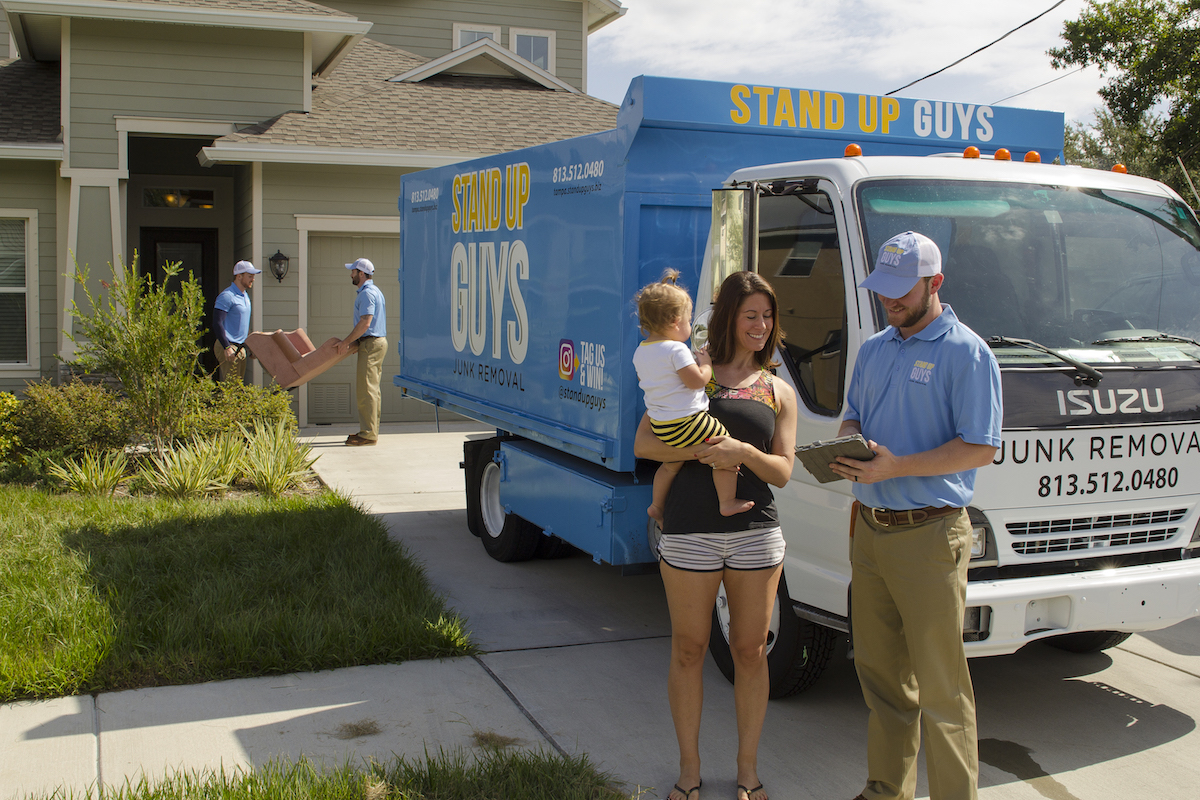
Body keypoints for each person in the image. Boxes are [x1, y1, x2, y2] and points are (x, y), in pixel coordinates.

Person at [828, 231, 1002, 800]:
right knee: (880, 678)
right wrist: (850, 444)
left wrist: (896, 467)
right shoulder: (876, 348)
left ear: (936, 283)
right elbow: (852, 417)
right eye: (884, 289)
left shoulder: (967, 352)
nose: (891, 300)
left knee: (942, 688)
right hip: (872, 534)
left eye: (903, 290)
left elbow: (980, 447)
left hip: (930, 535)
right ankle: (886, 791)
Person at [634, 271, 797, 800]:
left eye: (767, 316)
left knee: (750, 652)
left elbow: (782, 472)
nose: (761, 325)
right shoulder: (690, 373)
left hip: (755, 534)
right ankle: (689, 774)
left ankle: (748, 772)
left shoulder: (777, 389)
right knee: (688, 650)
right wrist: (704, 452)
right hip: (688, 532)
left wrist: (743, 454)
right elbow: (644, 443)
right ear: (727, 316)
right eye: (750, 314)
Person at [633, 269, 754, 523]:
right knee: (725, 449)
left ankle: (656, 505)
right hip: (688, 421)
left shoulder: (641, 351)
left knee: (670, 464)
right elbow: (696, 381)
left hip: (661, 426)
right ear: (675, 321)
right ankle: (727, 501)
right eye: (689, 320)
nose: (689, 326)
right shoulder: (676, 349)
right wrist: (706, 364)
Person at [336, 257, 387, 446]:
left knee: (367, 390)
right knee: (371, 389)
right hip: (373, 343)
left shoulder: (367, 294)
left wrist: (346, 342)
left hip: (371, 344)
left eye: (353, 271)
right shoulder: (375, 291)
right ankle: (369, 430)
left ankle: (368, 434)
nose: (351, 274)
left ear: (361, 273)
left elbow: (366, 322)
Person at [212, 259, 260, 382]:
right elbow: (217, 323)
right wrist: (226, 347)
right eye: (250, 276)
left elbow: (243, 325)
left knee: (237, 387)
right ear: (239, 276)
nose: (252, 279)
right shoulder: (227, 296)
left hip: (240, 347)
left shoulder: (245, 296)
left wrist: (252, 346)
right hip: (228, 345)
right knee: (231, 389)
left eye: (253, 276)